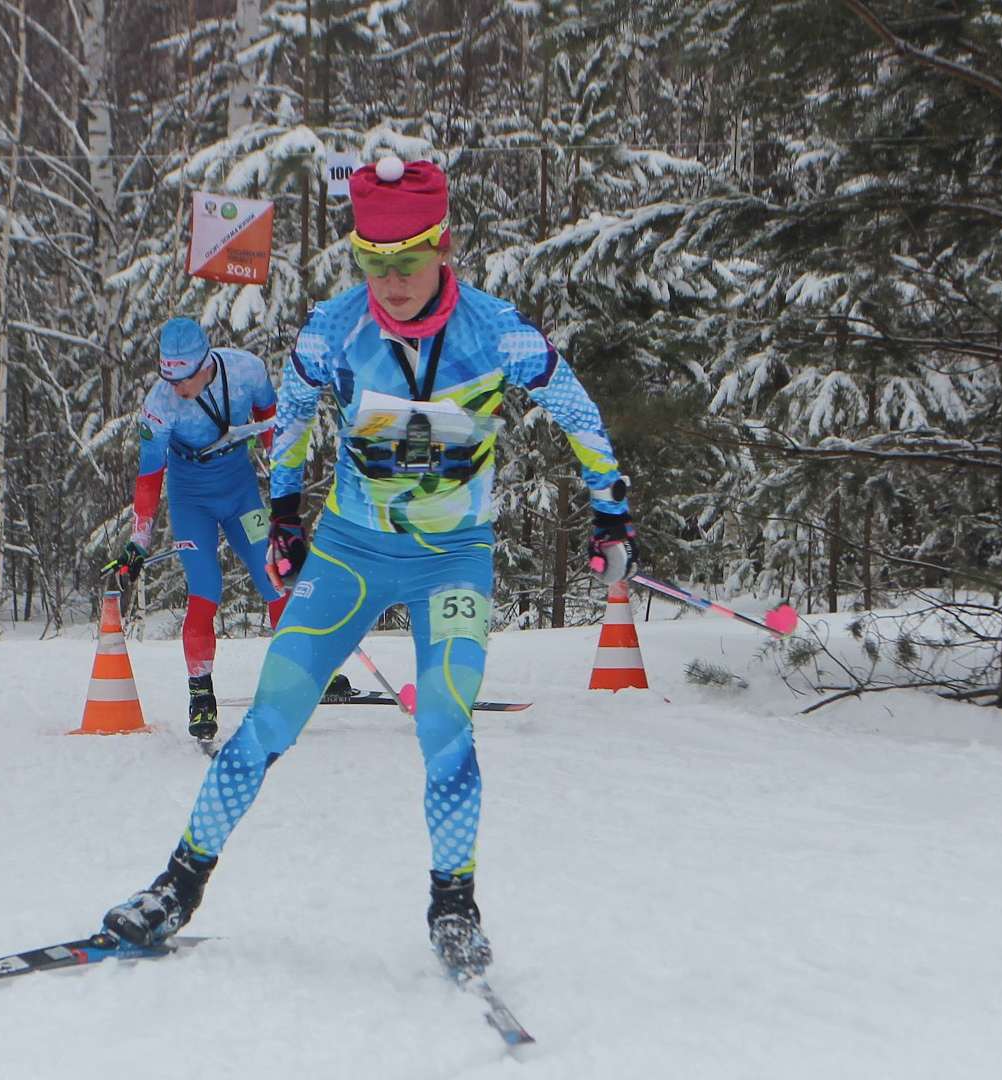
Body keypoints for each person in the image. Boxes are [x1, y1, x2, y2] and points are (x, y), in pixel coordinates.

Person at [100, 157, 638, 972]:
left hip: (452, 561)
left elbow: (577, 411)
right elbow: (296, 410)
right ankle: (178, 884)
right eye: (372, 262)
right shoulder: (334, 327)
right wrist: (284, 510)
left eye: (408, 261)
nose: (389, 282)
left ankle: (453, 904)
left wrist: (611, 509)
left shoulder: (498, 331)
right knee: (270, 718)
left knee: (444, 724)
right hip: (350, 554)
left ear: (443, 246)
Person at [114, 317, 290, 738]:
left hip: (240, 490)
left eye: (184, 379)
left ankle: (297, 673)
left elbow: (274, 430)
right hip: (191, 497)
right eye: (168, 378)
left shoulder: (247, 370)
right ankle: (201, 696)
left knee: (276, 578)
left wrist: (285, 498)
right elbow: (149, 476)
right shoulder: (160, 405)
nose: (177, 388)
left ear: (204, 363)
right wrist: (138, 541)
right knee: (205, 589)